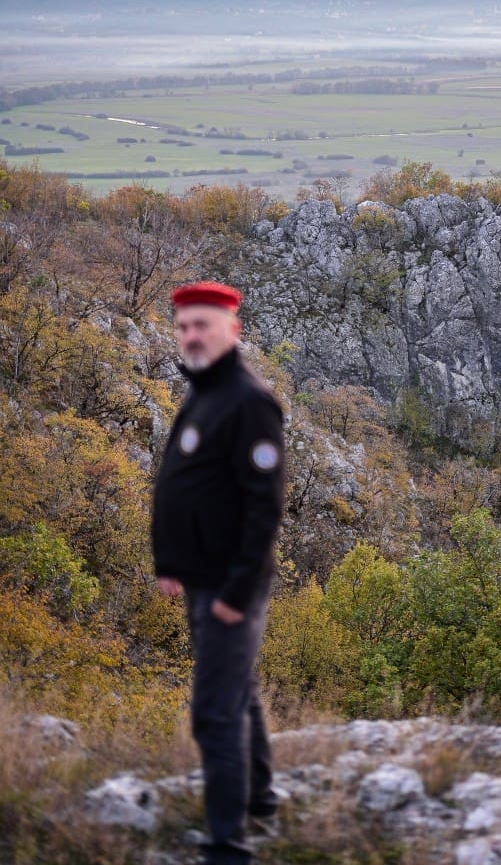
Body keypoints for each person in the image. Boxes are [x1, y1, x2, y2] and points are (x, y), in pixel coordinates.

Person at [152, 281, 285, 865]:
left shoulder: (249, 401)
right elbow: (183, 482)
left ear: (233, 328)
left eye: (202, 325)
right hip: (201, 576)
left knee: (214, 711)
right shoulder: (202, 393)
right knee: (239, 692)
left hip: (232, 584)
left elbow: (264, 507)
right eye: (184, 326)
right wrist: (170, 561)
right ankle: (261, 801)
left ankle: (227, 848)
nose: (191, 336)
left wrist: (237, 591)